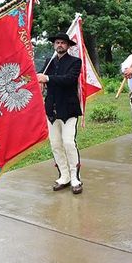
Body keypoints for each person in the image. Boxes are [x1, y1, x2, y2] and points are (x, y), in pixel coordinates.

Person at [37, 32, 83, 195]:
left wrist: (47, 79)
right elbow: (40, 78)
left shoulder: (75, 62)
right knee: (55, 144)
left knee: (69, 143)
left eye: (63, 43)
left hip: (69, 109)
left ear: (68, 46)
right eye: (57, 42)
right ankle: (64, 176)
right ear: (53, 45)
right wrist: (39, 81)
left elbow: (69, 79)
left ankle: (75, 177)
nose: (60, 45)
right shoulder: (48, 62)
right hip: (51, 109)